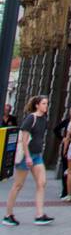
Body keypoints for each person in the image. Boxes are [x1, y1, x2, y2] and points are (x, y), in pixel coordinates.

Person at [3, 95, 54, 226]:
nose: (46, 106)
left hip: (37, 155)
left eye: (46, 103)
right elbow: (24, 140)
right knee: (18, 185)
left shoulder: (44, 119)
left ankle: (39, 215)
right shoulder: (31, 118)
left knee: (42, 183)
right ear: (37, 105)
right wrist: (27, 156)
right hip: (27, 155)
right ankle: (8, 215)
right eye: (43, 103)